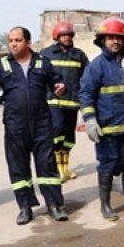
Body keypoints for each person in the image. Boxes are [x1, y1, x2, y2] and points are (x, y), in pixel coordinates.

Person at [0, 26, 69, 225]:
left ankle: (54, 205)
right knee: (18, 167)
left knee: (47, 166)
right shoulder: (1, 66)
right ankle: (25, 207)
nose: (13, 43)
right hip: (15, 126)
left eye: (17, 40)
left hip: (42, 125)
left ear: (28, 42)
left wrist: (60, 88)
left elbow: (57, 83)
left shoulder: (42, 63)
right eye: (11, 40)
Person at [79, 17, 124, 221]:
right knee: (107, 166)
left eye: (119, 38)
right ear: (103, 40)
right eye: (111, 38)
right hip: (109, 130)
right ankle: (106, 205)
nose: (115, 42)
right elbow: (86, 95)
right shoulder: (97, 66)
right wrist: (90, 120)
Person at [40, 21, 89, 182]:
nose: (67, 38)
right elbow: (40, 76)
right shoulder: (46, 54)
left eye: (69, 35)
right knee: (57, 131)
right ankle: (57, 168)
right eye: (64, 35)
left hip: (72, 102)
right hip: (54, 102)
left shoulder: (79, 55)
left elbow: (87, 77)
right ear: (57, 36)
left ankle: (65, 168)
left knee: (69, 137)